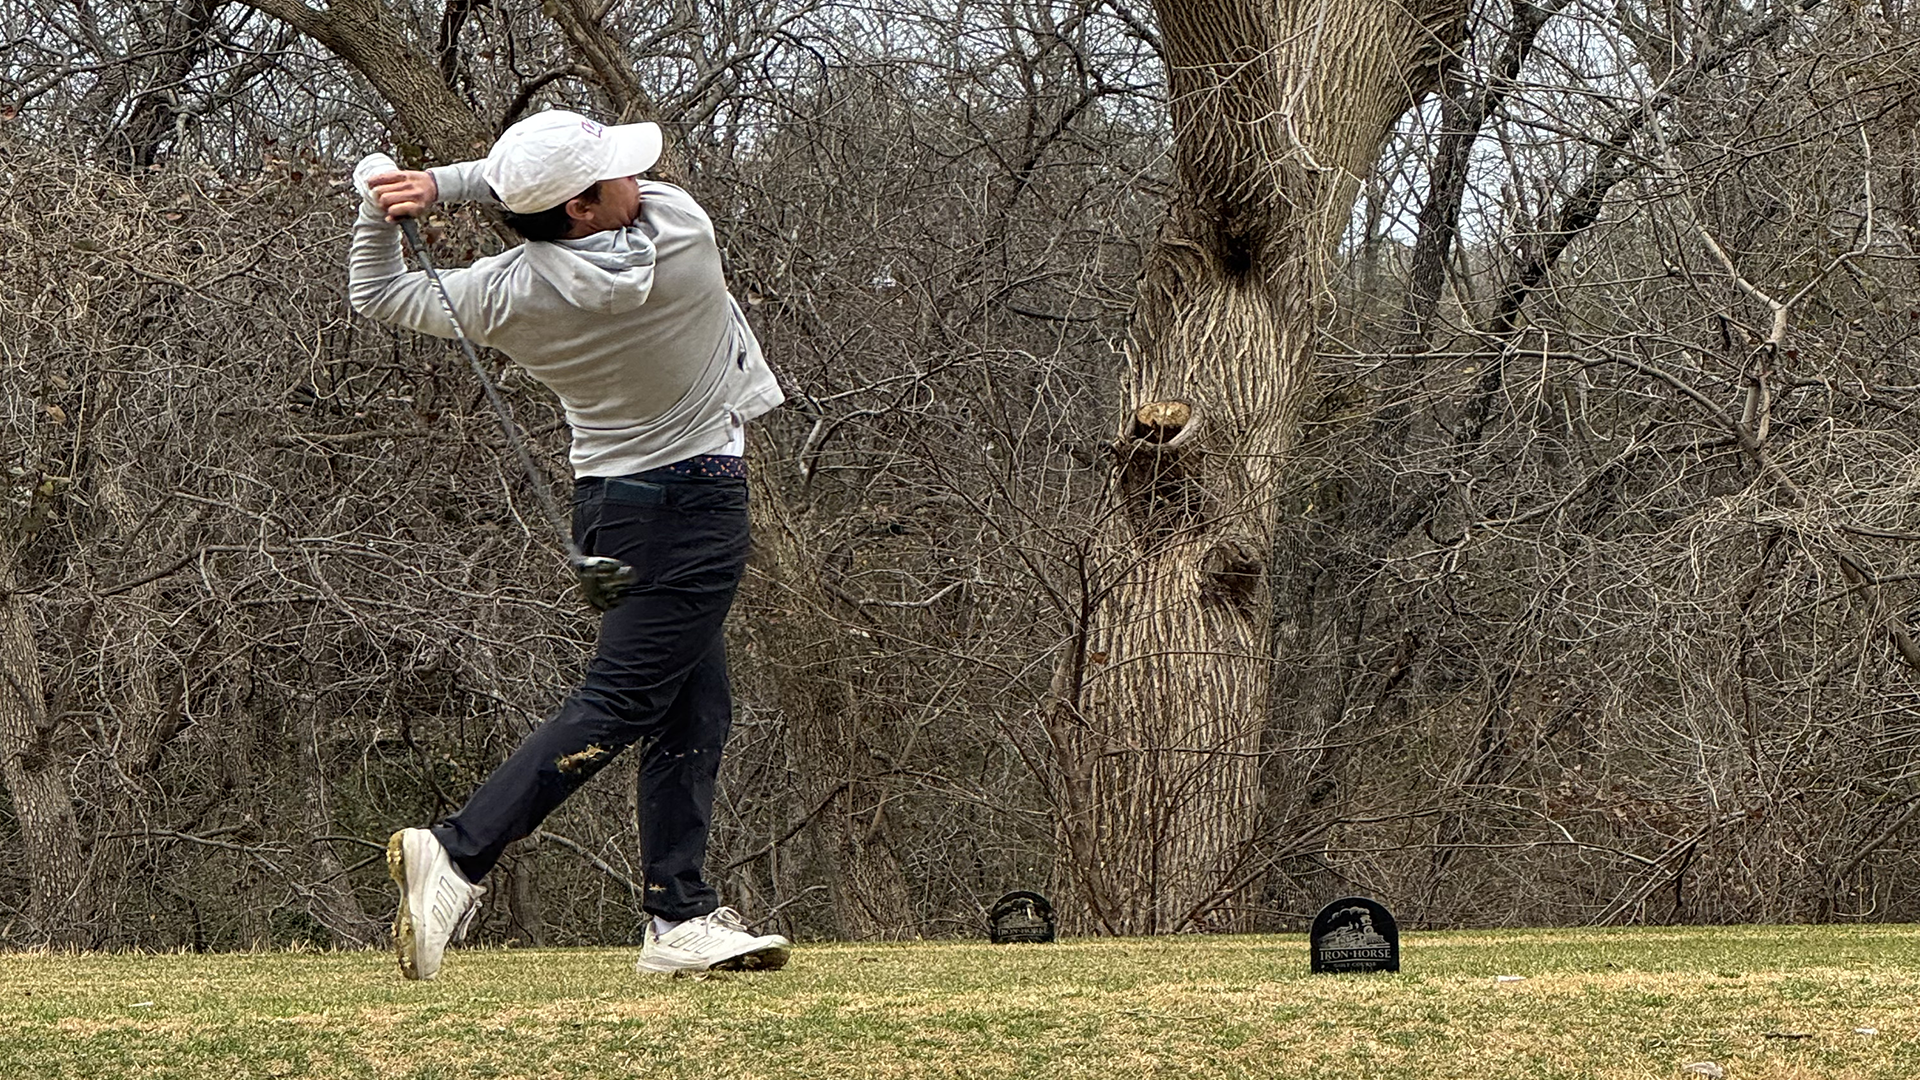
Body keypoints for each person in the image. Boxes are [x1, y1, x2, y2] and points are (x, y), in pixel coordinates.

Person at [345, 109, 789, 979]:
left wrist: (388, 201)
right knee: (626, 699)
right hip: (695, 506)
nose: (637, 178)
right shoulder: (681, 234)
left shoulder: (506, 292)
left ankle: (680, 913)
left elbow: (380, 294)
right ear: (585, 210)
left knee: (692, 704)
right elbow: (603, 196)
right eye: (613, 174)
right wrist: (453, 181)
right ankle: (462, 850)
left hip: (613, 509)